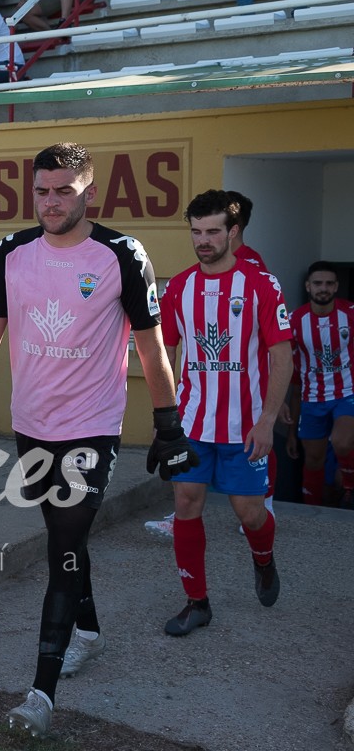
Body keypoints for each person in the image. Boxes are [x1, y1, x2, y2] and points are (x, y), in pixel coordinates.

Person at [0, 143, 194, 737]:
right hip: (32, 424)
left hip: (92, 427)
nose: (52, 203)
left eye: (64, 192)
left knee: (64, 545)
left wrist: (167, 422)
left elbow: (151, 347)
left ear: (89, 192)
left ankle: (40, 692)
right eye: (43, 191)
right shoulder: (12, 250)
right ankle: (91, 631)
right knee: (63, 537)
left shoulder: (122, 254)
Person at [156, 189, 293, 638]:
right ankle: (197, 603)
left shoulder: (260, 284)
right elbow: (164, 353)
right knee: (185, 504)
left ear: (233, 231)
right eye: (196, 231)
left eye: (213, 231)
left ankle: (264, 560)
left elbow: (282, 356)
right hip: (193, 424)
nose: (203, 240)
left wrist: (269, 420)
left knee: (249, 513)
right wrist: (165, 419)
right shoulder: (177, 287)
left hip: (246, 427)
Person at [286, 261, 354, 507]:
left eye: (328, 283)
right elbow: (292, 377)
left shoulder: (351, 314)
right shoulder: (295, 320)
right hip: (311, 400)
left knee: (342, 441)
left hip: (347, 393)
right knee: (313, 460)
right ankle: (310, 509)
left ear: (336, 286)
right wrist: (291, 432)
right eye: (317, 283)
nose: (323, 288)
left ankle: (349, 486)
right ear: (308, 286)